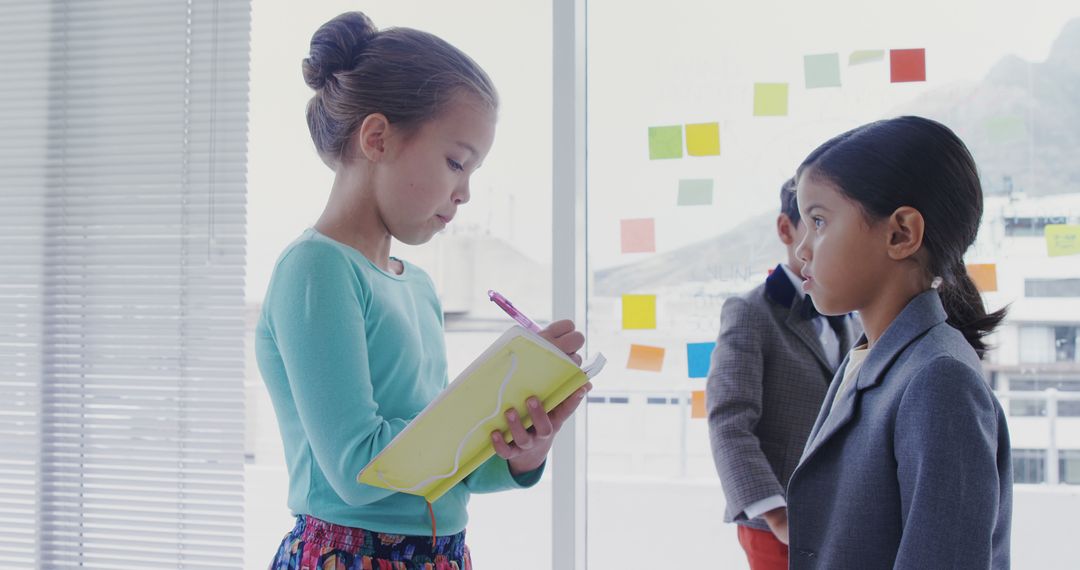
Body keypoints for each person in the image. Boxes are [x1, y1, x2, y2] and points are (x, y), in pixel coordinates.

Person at [255, 12, 589, 569]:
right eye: (456, 162)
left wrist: (523, 449)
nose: (464, 193)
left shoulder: (420, 288)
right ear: (378, 137)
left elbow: (445, 468)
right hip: (350, 555)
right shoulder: (316, 268)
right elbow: (361, 469)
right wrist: (483, 405)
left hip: (439, 554)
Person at [785, 116, 1012, 569]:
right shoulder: (874, 357)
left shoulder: (938, 379)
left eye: (819, 220)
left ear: (901, 233)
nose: (802, 249)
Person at [706, 178, 861, 569]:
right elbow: (728, 420)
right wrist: (777, 515)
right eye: (815, 224)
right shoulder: (749, 312)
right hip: (776, 523)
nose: (824, 242)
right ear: (785, 229)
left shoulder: (853, 314)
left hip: (843, 516)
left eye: (832, 226)